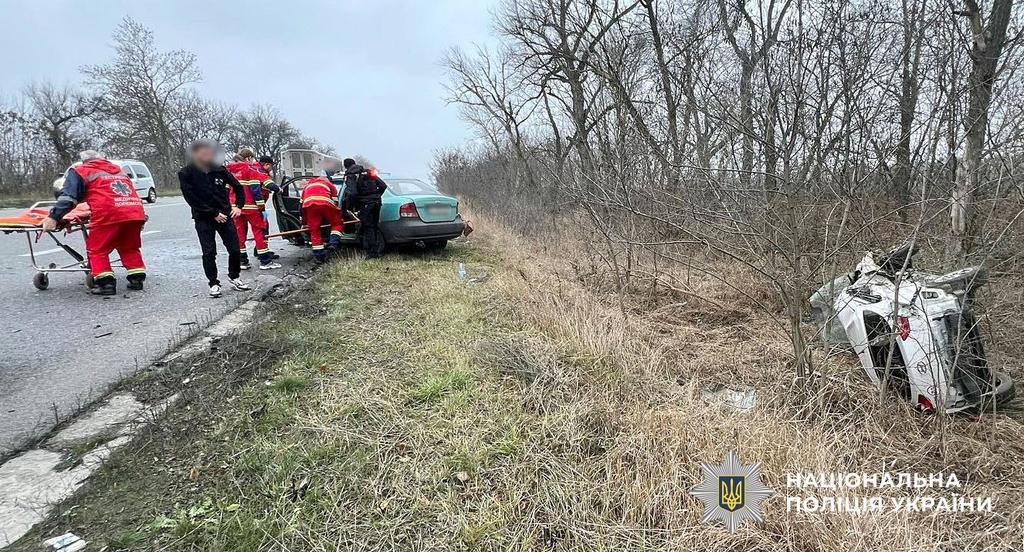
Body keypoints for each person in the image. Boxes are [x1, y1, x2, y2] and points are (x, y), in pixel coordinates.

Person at [41, 150, 147, 296]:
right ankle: (137, 279)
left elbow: (69, 197)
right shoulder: (118, 170)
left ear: (84, 161)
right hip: (134, 211)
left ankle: (106, 284)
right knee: (129, 246)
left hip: (108, 213)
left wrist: (54, 217)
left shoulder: (81, 170)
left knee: (97, 249)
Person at [178, 140, 253, 298]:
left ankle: (234, 276)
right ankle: (213, 283)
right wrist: (212, 213)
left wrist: (238, 206)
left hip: (225, 215)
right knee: (209, 251)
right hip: (203, 217)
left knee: (234, 248)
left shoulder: (219, 169)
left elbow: (238, 187)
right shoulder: (186, 173)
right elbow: (191, 198)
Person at [225, 148, 280, 270]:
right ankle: (265, 261)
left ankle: (242, 261)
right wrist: (262, 206)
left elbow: (226, 191)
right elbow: (258, 190)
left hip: (236, 209)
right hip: (252, 208)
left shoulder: (229, 172)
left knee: (239, 234)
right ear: (248, 158)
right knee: (259, 232)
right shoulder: (250, 170)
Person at [342, 158, 387, 259]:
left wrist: (350, 207)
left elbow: (352, 193)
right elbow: (383, 186)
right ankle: (376, 251)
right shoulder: (367, 172)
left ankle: (372, 253)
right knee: (374, 226)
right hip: (377, 202)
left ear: (345, 166)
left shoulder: (351, 175)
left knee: (368, 227)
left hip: (366, 204)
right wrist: (376, 196)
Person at [300, 177, 344, 263]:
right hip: (326, 204)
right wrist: (337, 214)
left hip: (310, 206)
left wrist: (304, 223)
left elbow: (301, 207)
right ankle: (333, 243)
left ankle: (319, 256)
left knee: (315, 231)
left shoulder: (307, 187)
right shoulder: (330, 185)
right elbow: (336, 202)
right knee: (337, 224)